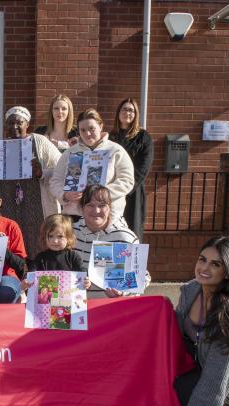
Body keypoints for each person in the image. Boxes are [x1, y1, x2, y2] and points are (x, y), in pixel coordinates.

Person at [173, 236, 229, 406]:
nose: (204, 267)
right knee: (163, 392)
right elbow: (173, 332)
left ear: (228, 272)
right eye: (202, 259)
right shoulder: (190, 290)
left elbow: (218, 374)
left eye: (215, 264)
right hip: (200, 366)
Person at [50, 108, 134, 222]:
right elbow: (56, 180)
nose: (87, 134)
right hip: (74, 218)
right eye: (82, 130)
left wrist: (102, 194)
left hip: (106, 218)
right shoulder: (70, 153)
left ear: (100, 126)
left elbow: (126, 180)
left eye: (91, 128)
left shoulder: (116, 150)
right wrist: (65, 195)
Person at [0, 106, 61, 260]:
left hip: (37, 203)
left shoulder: (39, 141)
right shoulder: (2, 147)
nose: (14, 127)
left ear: (27, 124)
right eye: (10, 123)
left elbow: (61, 168)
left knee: (39, 241)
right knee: (14, 240)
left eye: (19, 123)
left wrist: (42, 173)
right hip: (10, 204)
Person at [73, 184, 148, 298]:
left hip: (109, 309)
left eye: (102, 205)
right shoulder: (69, 233)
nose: (96, 210)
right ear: (82, 207)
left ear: (110, 208)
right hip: (75, 307)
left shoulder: (124, 237)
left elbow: (143, 277)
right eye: (90, 205)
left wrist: (123, 290)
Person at [109, 98, 154, 240]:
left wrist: (126, 189)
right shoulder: (111, 136)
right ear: (118, 112)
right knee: (111, 230)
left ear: (136, 114)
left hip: (133, 193)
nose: (127, 112)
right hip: (111, 191)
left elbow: (143, 168)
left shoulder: (143, 137)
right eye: (124, 109)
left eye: (131, 110)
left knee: (131, 232)